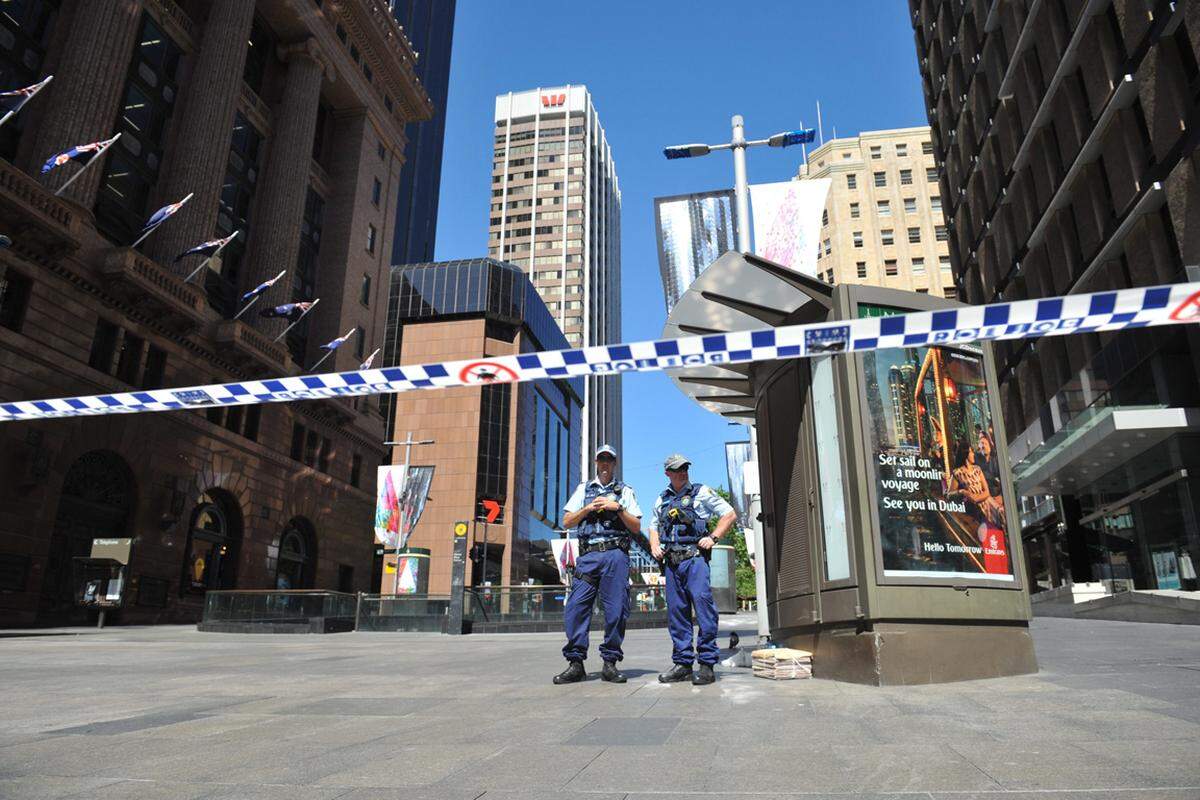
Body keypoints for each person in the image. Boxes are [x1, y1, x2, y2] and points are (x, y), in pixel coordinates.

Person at [553, 444, 642, 685]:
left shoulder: (625, 491)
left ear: (614, 464)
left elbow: (636, 527)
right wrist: (588, 508)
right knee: (575, 608)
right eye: (601, 460)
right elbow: (567, 521)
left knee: (615, 610)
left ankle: (610, 663)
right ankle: (575, 663)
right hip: (588, 555)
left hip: (615, 554)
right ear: (596, 463)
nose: (605, 464)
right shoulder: (584, 489)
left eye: (609, 460)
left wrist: (618, 508)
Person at [649, 454, 737, 686]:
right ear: (667, 473)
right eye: (677, 469)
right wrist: (654, 545)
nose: (682, 472)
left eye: (685, 468)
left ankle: (707, 664)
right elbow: (653, 526)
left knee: (703, 607)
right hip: (672, 563)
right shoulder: (662, 499)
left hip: (694, 559)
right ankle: (683, 664)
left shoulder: (701, 492)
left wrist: (713, 537)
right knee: (677, 613)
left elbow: (729, 514)